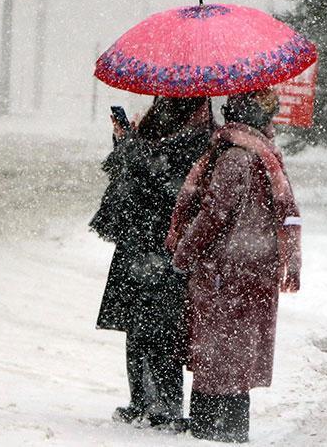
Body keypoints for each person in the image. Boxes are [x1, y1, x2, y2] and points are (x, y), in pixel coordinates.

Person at [165, 88, 301, 443]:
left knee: (216, 352)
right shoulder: (265, 155)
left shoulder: (234, 157)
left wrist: (184, 254)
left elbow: (214, 213)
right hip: (256, 267)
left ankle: (209, 427)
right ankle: (235, 428)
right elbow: (282, 215)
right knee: (237, 356)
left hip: (226, 271)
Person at [89, 96, 214, 430]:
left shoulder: (198, 137)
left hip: (161, 243)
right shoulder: (168, 128)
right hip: (143, 241)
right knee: (139, 325)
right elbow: (138, 171)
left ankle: (164, 407)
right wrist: (125, 139)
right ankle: (142, 401)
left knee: (160, 327)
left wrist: (132, 145)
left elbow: (163, 179)